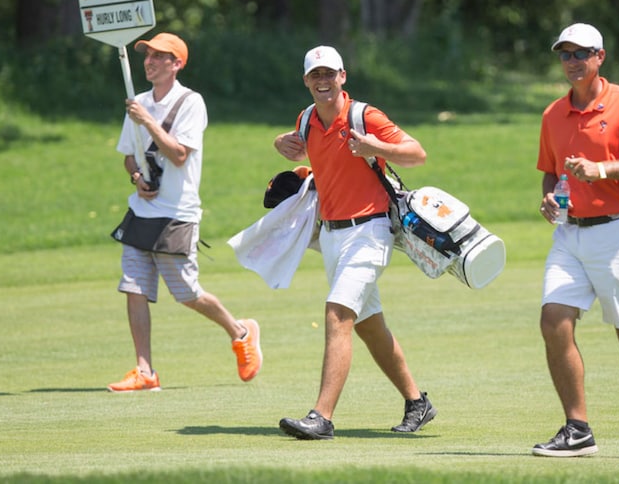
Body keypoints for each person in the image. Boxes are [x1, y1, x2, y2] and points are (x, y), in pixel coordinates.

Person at [272, 45, 436, 439]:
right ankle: (418, 402)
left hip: (371, 230)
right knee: (369, 325)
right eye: (316, 75)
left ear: (343, 76)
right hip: (332, 235)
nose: (323, 81)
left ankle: (321, 417)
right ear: (306, 81)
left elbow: (417, 154)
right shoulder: (307, 118)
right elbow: (306, 151)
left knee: (337, 314)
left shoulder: (366, 116)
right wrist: (282, 143)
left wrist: (374, 147)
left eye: (330, 74)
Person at [533, 23, 619, 460]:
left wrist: (602, 170)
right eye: (565, 54)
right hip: (570, 233)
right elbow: (551, 171)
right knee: (553, 319)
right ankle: (578, 428)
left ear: (600, 57)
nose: (572, 61)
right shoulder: (553, 114)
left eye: (581, 53)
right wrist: (548, 197)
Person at [107, 32, 262, 392]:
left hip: (177, 213)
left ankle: (240, 331)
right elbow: (129, 153)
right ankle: (145, 371)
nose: (150, 61)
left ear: (177, 64)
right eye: (147, 55)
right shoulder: (138, 102)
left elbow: (179, 154)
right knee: (133, 286)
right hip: (141, 212)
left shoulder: (191, 102)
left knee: (187, 293)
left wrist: (147, 120)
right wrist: (135, 176)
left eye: (160, 56)